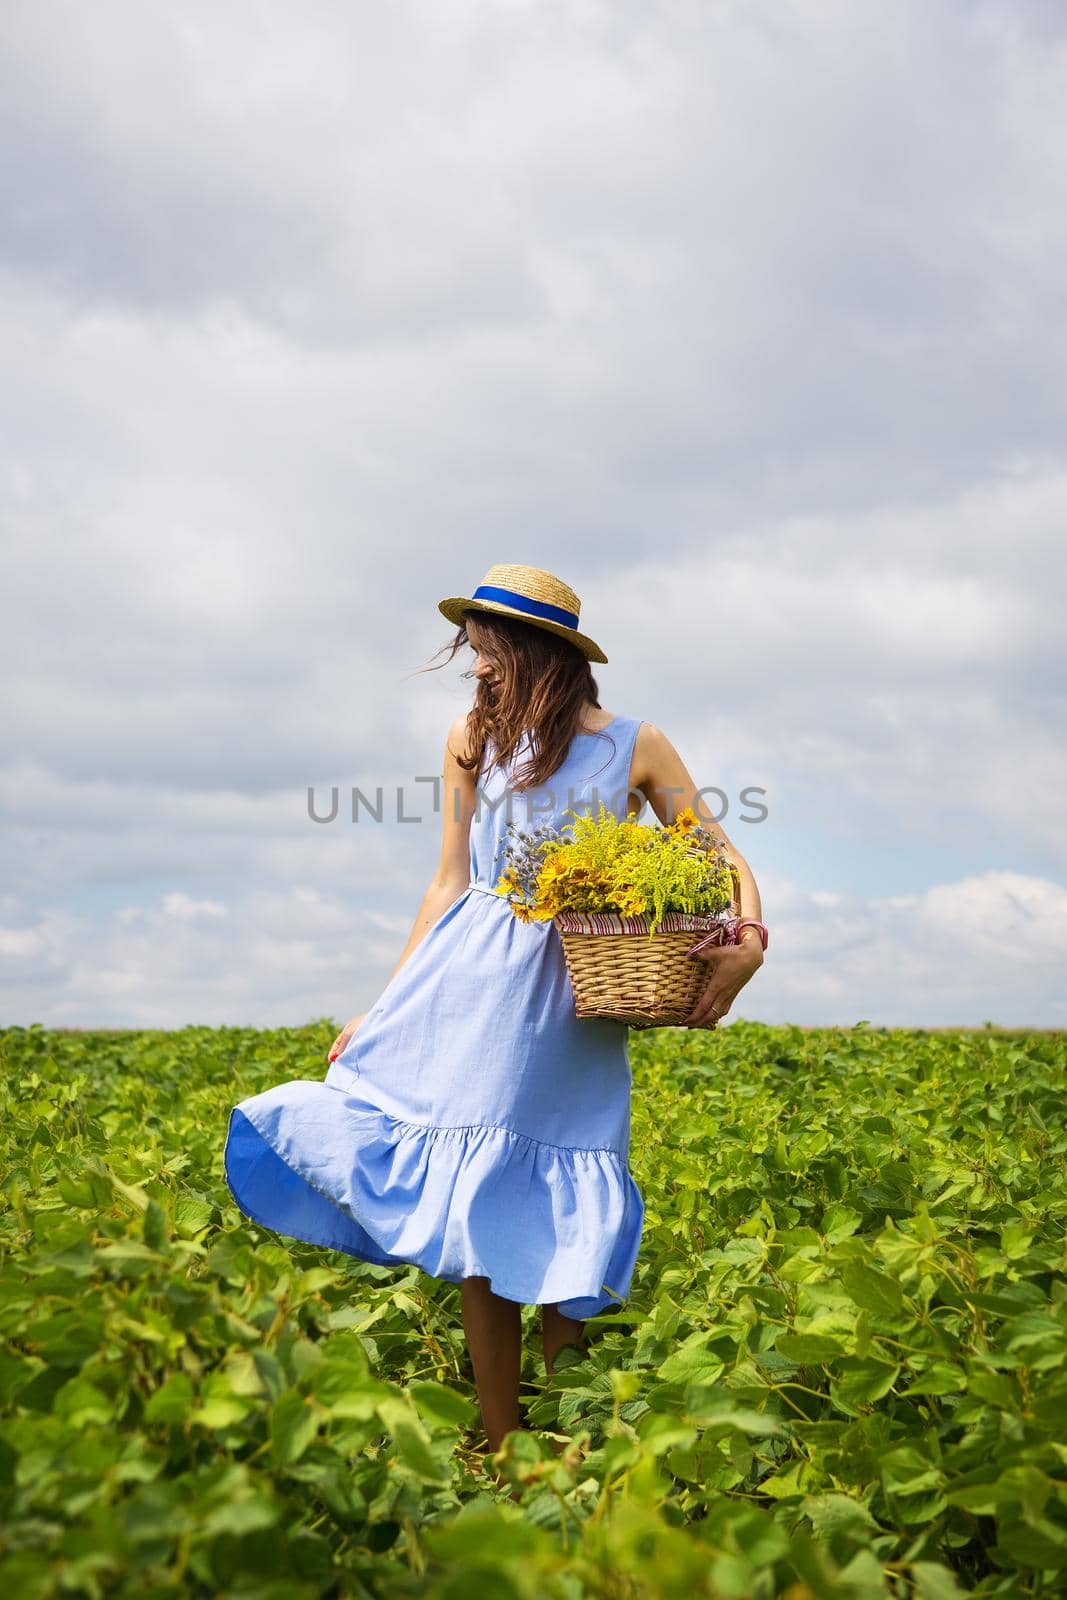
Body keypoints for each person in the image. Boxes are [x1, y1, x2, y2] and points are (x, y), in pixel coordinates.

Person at [223, 563, 766, 1475]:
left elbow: (716, 854)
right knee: (480, 1203)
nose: (476, 668)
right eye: (472, 648)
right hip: (471, 981)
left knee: (564, 1192)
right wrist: (385, 1001)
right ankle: (507, 1443)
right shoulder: (471, 738)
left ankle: (576, 1433)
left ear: (544, 655)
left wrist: (747, 937)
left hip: (573, 992)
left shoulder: (634, 744)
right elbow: (448, 878)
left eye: (490, 650)